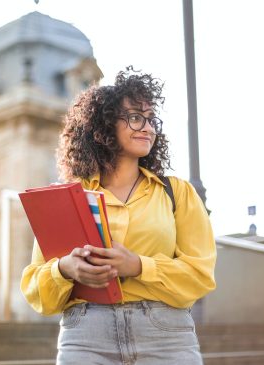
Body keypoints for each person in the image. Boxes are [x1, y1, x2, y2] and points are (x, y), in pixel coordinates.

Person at [21, 66, 216, 364]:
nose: (148, 127)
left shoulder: (177, 193)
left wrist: (138, 266)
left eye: (152, 119)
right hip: (85, 335)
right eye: (136, 117)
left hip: (165, 335)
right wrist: (65, 269)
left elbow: (200, 276)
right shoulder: (68, 198)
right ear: (104, 124)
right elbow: (36, 288)